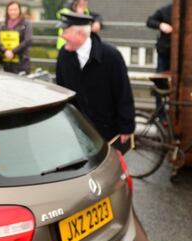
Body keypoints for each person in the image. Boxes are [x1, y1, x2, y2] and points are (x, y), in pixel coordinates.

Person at [55, 11, 134, 152]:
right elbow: (61, 91)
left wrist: (126, 127)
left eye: (65, 31)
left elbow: (123, 93)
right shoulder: (64, 55)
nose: (62, 36)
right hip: (78, 130)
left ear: (79, 34)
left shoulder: (111, 56)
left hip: (107, 130)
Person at [0, 0, 32, 74]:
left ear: (19, 10)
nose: (13, 12)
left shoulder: (26, 23)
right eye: (10, 10)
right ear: (7, 11)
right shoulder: (3, 25)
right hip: (6, 62)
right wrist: (5, 51)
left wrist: (13, 51)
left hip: (21, 62)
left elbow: (27, 40)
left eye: (15, 9)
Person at [146, 3, 174, 73]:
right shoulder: (166, 10)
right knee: (161, 77)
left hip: (181, 54)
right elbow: (149, 21)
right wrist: (160, 25)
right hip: (165, 52)